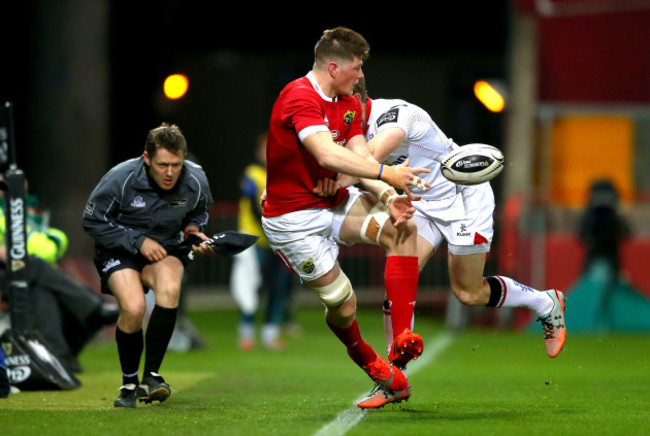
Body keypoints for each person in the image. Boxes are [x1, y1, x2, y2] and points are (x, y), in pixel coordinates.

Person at [261, 27, 432, 410]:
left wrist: (389, 196)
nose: (360, 75)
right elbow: (326, 154)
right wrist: (388, 175)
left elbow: (359, 156)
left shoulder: (349, 101)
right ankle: (373, 364)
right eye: (355, 68)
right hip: (293, 220)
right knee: (343, 304)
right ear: (334, 67)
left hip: (333, 204)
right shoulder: (299, 96)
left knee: (402, 229)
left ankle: (401, 339)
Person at [348, 79, 566, 369]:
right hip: (422, 203)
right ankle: (395, 375)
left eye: (343, 108)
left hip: (463, 198)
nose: (338, 116)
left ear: (361, 102)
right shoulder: (350, 132)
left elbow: (362, 165)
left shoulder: (394, 116)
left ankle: (544, 302)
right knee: (401, 276)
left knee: (468, 293)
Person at [82, 123, 215, 408]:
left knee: (169, 288)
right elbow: (92, 221)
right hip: (119, 248)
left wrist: (194, 230)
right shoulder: (120, 178)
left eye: (176, 164)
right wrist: (137, 240)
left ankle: (151, 377)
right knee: (133, 308)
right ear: (147, 159)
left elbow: (200, 212)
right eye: (162, 164)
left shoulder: (196, 179)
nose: (169, 172)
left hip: (165, 247)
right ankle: (129, 384)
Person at [230, 132, 295, 350]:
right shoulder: (252, 174)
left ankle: (270, 334)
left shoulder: (283, 176)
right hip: (254, 240)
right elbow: (251, 204)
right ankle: (246, 333)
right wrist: (271, 227)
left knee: (277, 288)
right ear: (258, 152)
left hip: (276, 242)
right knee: (251, 287)